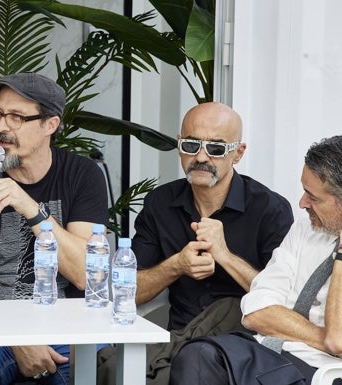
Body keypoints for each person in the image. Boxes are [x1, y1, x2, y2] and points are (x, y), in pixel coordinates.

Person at [96, 102, 294, 385]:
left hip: (245, 349)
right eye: (191, 145)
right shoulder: (161, 203)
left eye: (215, 148)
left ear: (238, 153)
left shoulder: (269, 208)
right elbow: (130, 292)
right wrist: (175, 265)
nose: (201, 157)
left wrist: (225, 256)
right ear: (179, 145)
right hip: (177, 340)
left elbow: (284, 303)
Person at [0, 72, 109, 385]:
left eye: (16, 117)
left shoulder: (83, 175)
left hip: (66, 326)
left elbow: (87, 276)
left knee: (98, 360)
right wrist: (16, 337)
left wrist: (31, 209)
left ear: (51, 125)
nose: (0, 127)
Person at [170, 135, 342, 385]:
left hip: (322, 369)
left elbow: (338, 339)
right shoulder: (305, 229)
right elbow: (256, 309)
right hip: (268, 350)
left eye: (313, 197)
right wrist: (320, 337)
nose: (302, 203)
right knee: (197, 356)